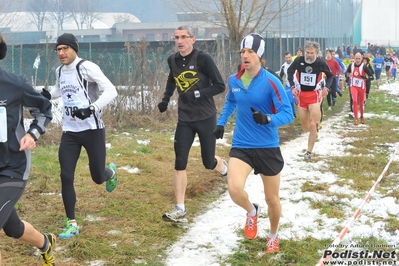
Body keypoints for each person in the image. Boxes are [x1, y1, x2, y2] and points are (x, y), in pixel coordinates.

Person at [214, 33, 293, 253]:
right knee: (233, 188)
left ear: (259, 55)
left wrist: (269, 119)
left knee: (272, 199)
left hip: (267, 146)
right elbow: (231, 101)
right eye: (243, 52)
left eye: (250, 52)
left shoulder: (271, 81)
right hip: (242, 145)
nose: (245, 56)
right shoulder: (234, 80)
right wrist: (221, 122)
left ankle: (273, 235)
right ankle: (251, 212)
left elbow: (289, 113)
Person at [41, 33, 118, 238]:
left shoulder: (86, 67)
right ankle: (72, 223)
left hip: (92, 130)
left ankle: (109, 173)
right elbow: (61, 90)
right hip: (70, 132)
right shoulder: (59, 70)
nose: (61, 53)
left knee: (97, 177)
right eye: (58, 49)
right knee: (66, 176)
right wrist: (49, 95)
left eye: (65, 48)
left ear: (74, 49)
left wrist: (91, 108)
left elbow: (111, 90)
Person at [157, 25, 228, 223]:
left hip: (206, 117)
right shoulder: (173, 60)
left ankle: (223, 168)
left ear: (193, 39)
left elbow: (220, 86)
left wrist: (196, 94)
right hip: (185, 119)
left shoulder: (203, 59)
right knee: (180, 161)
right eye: (176, 38)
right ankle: (180, 209)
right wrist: (165, 99)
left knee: (208, 162)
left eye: (183, 37)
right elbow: (172, 80)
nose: (180, 41)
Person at [0, 34, 55, 265]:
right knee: (12, 228)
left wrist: (32, 134)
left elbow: (44, 110)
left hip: (12, 165)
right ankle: (45, 242)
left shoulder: (14, 84)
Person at [287, 41, 334, 160]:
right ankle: (313, 129)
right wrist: (293, 87)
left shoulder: (320, 63)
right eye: (307, 52)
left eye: (312, 53)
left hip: (314, 95)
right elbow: (290, 72)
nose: (309, 55)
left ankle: (309, 152)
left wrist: (326, 88)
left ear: (316, 53)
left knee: (313, 124)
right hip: (301, 95)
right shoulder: (298, 60)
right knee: (305, 126)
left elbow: (331, 76)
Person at [345, 53, 374, 125]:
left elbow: (371, 76)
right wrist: (347, 76)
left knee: (361, 103)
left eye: (359, 59)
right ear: (354, 59)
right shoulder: (351, 65)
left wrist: (366, 78)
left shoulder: (364, 66)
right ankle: (356, 118)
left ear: (361, 59)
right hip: (353, 86)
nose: (357, 60)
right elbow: (347, 72)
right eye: (356, 59)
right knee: (354, 101)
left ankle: (361, 116)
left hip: (361, 87)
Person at [279, 51, 296, 118]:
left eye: (289, 57)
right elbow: (280, 76)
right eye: (286, 58)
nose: (288, 59)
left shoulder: (296, 64)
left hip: (298, 85)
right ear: (284, 58)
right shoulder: (283, 67)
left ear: (291, 56)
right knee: (290, 101)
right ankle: (293, 114)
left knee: (298, 101)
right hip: (289, 86)